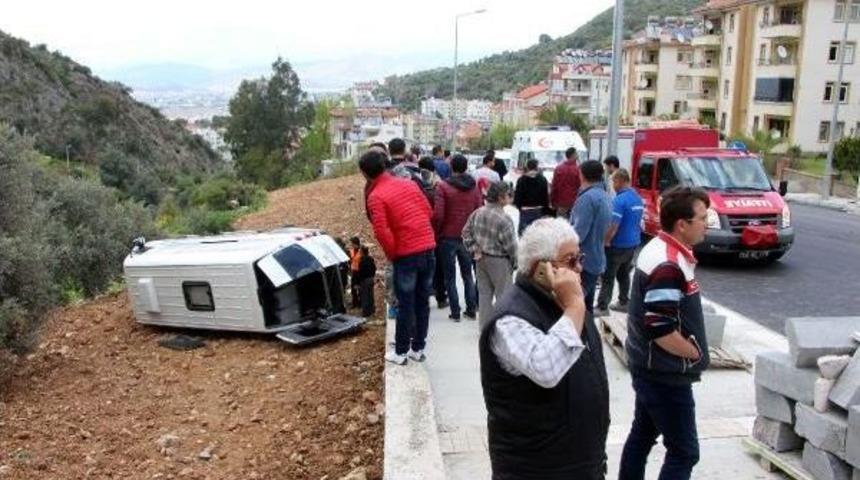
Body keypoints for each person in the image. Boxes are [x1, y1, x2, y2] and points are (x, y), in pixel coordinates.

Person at [479, 217, 609, 480]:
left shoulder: (564, 300)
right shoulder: (510, 318)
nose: (580, 268)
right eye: (571, 260)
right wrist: (574, 307)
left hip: (579, 463)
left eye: (579, 257)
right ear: (542, 268)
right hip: (536, 469)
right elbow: (546, 369)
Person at [618, 186, 712, 480]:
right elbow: (661, 329)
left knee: (642, 436)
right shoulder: (668, 264)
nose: (707, 224)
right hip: (664, 374)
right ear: (682, 224)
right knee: (685, 452)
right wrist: (695, 354)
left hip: (651, 368)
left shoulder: (663, 251)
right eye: (702, 218)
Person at [360, 149, 437, 365]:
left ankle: (401, 351)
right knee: (422, 302)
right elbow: (429, 212)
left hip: (406, 254)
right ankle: (418, 348)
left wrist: (393, 253)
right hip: (428, 248)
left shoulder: (375, 196)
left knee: (405, 304)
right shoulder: (410, 184)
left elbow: (381, 231)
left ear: (365, 174)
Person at [433, 154, 483, 321]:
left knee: (449, 276)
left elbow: (438, 215)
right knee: (468, 275)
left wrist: (438, 232)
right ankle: (470, 309)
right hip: (467, 237)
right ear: (466, 166)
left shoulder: (443, 187)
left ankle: (455, 312)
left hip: (447, 236)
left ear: (451, 167)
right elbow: (479, 211)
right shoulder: (473, 187)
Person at [462, 182, 517, 329]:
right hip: (500, 260)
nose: (510, 197)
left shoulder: (478, 212)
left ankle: (485, 329)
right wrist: (515, 261)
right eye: (508, 195)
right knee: (503, 297)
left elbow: (465, 232)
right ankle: (502, 328)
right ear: (500, 198)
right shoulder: (504, 219)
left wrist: (474, 248)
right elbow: (511, 246)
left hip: (481, 259)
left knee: (484, 295)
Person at [595, 169, 643, 317]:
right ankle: (624, 302)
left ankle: (603, 307)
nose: (613, 186)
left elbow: (613, 226)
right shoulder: (637, 198)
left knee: (608, 277)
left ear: (621, 181)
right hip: (632, 243)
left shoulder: (619, 201)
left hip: (617, 245)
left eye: (614, 182)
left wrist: (606, 241)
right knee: (623, 274)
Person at [570, 160, 612, 313]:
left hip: (583, 261)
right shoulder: (604, 195)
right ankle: (588, 335)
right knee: (586, 307)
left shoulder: (587, 198)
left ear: (582, 175)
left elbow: (578, 234)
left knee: (574, 305)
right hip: (596, 257)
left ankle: (581, 335)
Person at [420, 156, 449, 309]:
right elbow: (441, 213)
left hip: (422, 234)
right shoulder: (441, 186)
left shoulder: (417, 187)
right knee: (439, 267)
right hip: (437, 234)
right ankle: (441, 297)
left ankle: (425, 297)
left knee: (424, 268)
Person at [513, 159, 550, 235]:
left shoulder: (521, 180)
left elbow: (517, 197)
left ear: (527, 167)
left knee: (524, 235)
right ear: (537, 167)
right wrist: (546, 210)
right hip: (538, 210)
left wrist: (518, 207)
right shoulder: (542, 179)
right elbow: (545, 196)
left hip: (525, 211)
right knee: (538, 234)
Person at [551, 147, 582, 220]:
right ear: (573, 155)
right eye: (576, 153)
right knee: (573, 225)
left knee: (562, 225)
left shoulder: (558, 168)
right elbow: (581, 186)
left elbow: (554, 186)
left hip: (561, 203)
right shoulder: (578, 170)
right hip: (575, 202)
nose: (578, 155)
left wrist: (553, 201)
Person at [356, 246, 377, 317]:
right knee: (371, 295)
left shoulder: (361, 261)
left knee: (365, 296)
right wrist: (372, 276)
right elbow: (374, 268)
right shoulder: (370, 259)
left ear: (362, 252)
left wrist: (358, 282)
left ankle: (366, 312)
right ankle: (372, 310)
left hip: (364, 280)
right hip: (371, 279)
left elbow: (360, 272)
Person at [348, 236, 363, 308]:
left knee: (360, 288)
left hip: (360, 272)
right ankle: (355, 303)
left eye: (352, 243)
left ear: (355, 243)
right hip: (353, 271)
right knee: (353, 288)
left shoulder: (361, 251)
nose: (351, 245)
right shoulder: (351, 251)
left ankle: (360, 303)